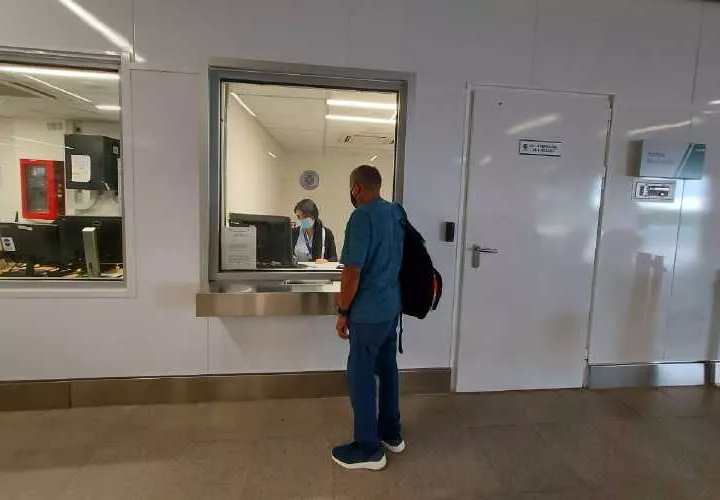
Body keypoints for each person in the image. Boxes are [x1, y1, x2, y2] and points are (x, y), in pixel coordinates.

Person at [332, 165, 405, 471]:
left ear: (357, 188)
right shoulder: (395, 212)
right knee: (387, 370)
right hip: (391, 309)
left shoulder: (361, 217)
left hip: (368, 313)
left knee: (360, 377)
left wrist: (343, 311)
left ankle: (368, 448)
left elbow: (352, 273)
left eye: (351, 188)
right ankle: (391, 433)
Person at [292, 199, 337, 263]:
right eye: (299, 217)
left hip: (319, 268)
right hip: (299, 268)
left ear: (313, 216)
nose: (301, 219)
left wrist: (326, 261)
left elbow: (334, 258)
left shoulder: (326, 233)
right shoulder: (294, 232)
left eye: (304, 216)